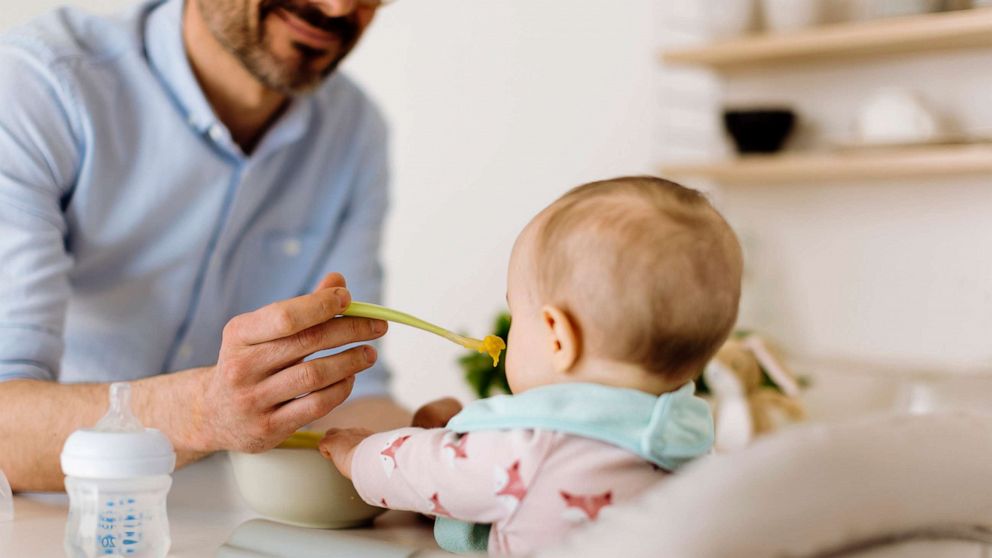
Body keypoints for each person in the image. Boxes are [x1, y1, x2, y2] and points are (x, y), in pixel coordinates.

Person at [0, 0, 457, 492]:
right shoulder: (39, 86)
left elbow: (353, 391)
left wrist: (431, 457)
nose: (338, 7)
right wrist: (203, 412)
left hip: (223, 519)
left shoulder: (354, 131)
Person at [320, 176, 745, 555]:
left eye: (516, 316)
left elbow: (425, 470)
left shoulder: (534, 444)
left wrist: (359, 454)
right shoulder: (693, 450)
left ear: (557, 336)